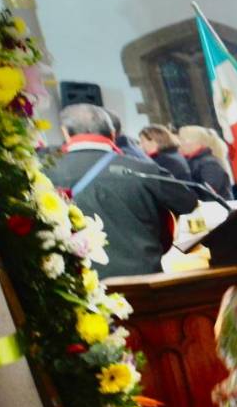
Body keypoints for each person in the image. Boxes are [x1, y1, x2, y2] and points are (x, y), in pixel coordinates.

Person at [46, 103, 198, 279]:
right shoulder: (144, 169)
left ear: (65, 132)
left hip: (78, 285)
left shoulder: (43, 174)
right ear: (113, 134)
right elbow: (189, 204)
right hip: (145, 280)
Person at [177, 125, 234, 198]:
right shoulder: (194, 161)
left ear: (198, 143)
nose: (179, 144)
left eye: (183, 140)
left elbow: (209, 194)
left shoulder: (210, 164)